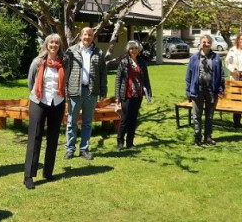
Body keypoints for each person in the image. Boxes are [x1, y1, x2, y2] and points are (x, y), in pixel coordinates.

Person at [23, 34, 67, 189]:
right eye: (51, 42)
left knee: (53, 138)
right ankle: (28, 176)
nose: (54, 45)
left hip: (58, 102)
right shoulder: (38, 62)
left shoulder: (63, 62)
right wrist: (37, 95)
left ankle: (48, 172)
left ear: (59, 46)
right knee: (34, 138)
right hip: (39, 102)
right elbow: (31, 82)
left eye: (56, 43)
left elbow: (65, 81)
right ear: (46, 45)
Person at [63, 27, 107, 160]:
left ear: (93, 37)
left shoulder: (98, 52)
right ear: (80, 36)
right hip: (75, 91)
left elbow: (103, 74)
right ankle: (70, 149)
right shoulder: (71, 51)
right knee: (71, 122)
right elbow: (66, 72)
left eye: (90, 35)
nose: (87, 37)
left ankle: (84, 149)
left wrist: (103, 91)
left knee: (87, 123)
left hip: (91, 92)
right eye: (85, 34)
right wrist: (66, 90)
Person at [186, 34, 225, 146]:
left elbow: (221, 75)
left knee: (209, 115)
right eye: (204, 42)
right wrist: (188, 91)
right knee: (197, 115)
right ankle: (197, 138)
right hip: (197, 90)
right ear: (200, 43)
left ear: (211, 44)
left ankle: (208, 137)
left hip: (211, 90)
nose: (206, 44)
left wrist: (221, 90)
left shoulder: (216, 58)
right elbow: (189, 75)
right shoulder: (194, 57)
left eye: (208, 42)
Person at [115, 40, 153, 150]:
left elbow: (146, 78)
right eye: (131, 48)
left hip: (138, 94)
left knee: (133, 119)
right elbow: (118, 80)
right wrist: (117, 97)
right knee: (125, 119)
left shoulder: (141, 62)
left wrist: (149, 93)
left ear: (138, 49)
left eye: (136, 48)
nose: (134, 50)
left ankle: (130, 143)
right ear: (128, 50)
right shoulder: (124, 62)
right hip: (126, 95)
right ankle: (120, 142)